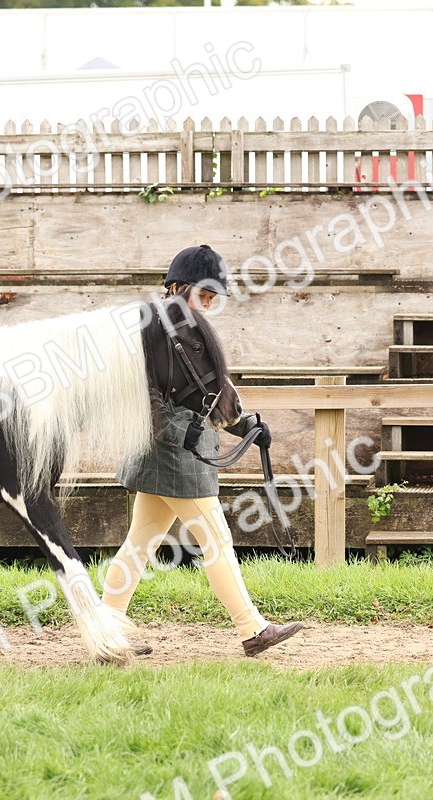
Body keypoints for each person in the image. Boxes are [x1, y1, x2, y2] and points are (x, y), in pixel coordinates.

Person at [102, 245, 304, 657]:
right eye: (204, 296)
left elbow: (210, 393)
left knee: (139, 542)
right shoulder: (152, 329)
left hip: (171, 454)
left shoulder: (189, 329)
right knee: (216, 540)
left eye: (213, 299)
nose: (209, 306)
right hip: (173, 456)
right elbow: (143, 396)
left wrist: (245, 425)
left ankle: (106, 633)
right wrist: (183, 435)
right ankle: (253, 629)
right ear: (177, 287)